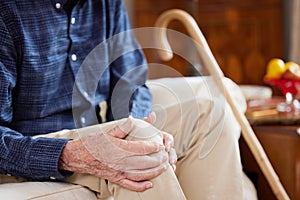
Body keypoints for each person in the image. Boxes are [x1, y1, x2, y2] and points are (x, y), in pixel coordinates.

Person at [0, 0, 257, 199]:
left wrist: (133, 121)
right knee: (140, 144)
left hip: (95, 125)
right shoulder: (7, 12)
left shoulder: (106, 4)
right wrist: (68, 154)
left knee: (209, 104)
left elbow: (131, 83)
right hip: (36, 145)